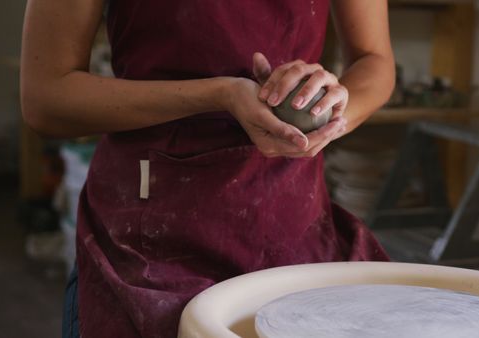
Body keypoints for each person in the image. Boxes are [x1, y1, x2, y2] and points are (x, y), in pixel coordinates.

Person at [21, 0, 395, 337]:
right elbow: (46, 98)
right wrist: (219, 94)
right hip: (149, 239)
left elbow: (373, 60)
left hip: (292, 223)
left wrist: (332, 113)